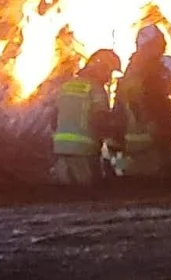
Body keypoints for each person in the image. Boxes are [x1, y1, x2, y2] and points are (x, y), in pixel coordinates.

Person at [113, 25, 171, 179]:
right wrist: (170, 122)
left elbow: (119, 110)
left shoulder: (131, 72)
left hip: (132, 144)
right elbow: (156, 105)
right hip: (153, 143)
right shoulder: (151, 72)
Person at [51, 49, 120, 186]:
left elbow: (54, 119)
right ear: (101, 68)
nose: (109, 77)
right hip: (84, 152)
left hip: (61, 150)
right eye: (109, 71)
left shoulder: (66, 86)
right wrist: (113, 142)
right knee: (87, 197)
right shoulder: (96, 90)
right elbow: (100, 120)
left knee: (65, 198)